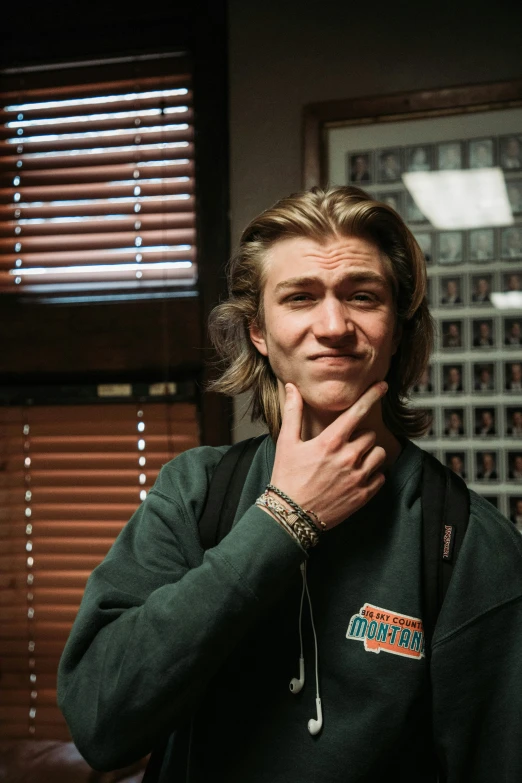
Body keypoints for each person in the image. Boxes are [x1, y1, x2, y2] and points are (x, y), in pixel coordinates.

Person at [57, 186, 522, 782]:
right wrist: (281, 521)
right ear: (258, 332)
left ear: (398, 327)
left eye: (362, 296)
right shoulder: (196, 493)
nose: (333, 326)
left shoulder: (467, 543)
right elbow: (100, 722)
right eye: (300, 297)